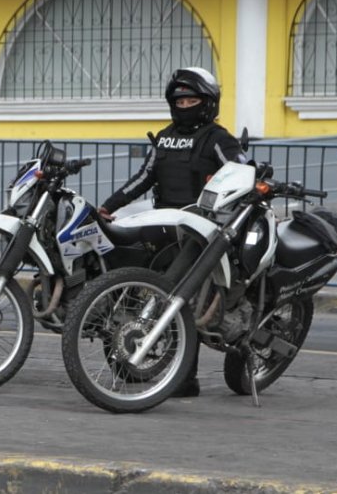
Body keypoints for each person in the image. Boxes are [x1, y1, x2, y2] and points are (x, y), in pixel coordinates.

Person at [98, 66, 247, 397]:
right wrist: (109, 205)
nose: (185, 106)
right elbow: (144, 177)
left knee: (186, 301)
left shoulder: (218, 139)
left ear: (207, 102)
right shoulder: (165, 137)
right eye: (179, 101)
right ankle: (135, 354)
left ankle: (185, 377)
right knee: (151, 292)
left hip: (202, 232)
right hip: (165, 228)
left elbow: (243, 171)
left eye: (192, 99)